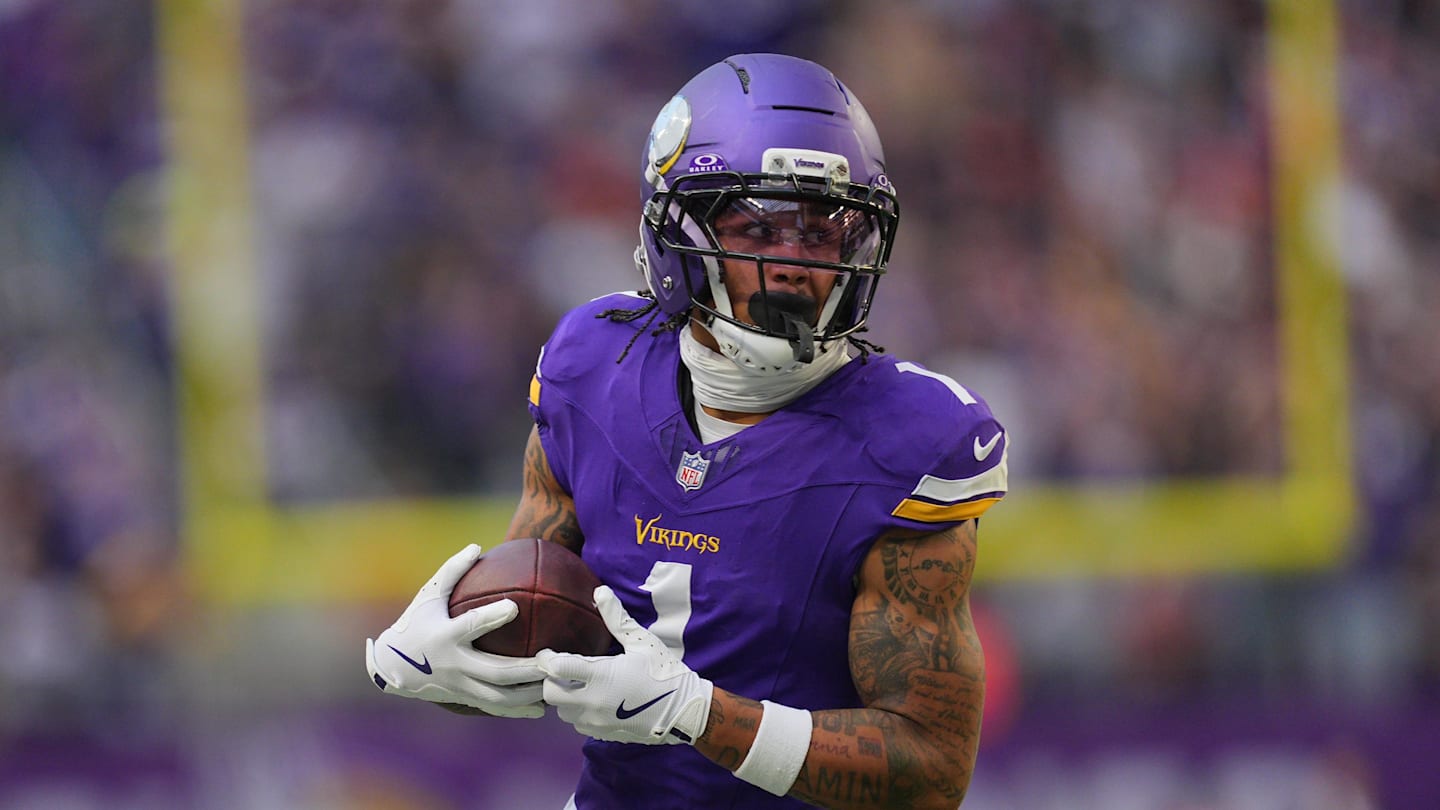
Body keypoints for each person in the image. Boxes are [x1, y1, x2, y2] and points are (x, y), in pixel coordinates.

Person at [366, 53, 1008, 809]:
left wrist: (699, 714)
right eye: (759, 227)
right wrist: (442, 662)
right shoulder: (593, 364)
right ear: (677, 232)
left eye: (823, 232)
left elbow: (931, 772)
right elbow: (539, 638)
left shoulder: (911, 439)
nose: (794, 263)